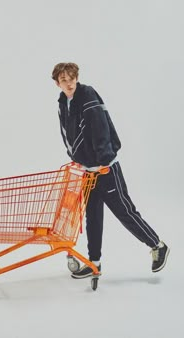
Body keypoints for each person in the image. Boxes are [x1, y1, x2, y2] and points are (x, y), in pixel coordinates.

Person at [52, 62, 170, 279]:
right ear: (57, 83)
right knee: (93, 217)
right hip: (88, 170)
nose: (68, 83)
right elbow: (67, 134)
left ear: (76, 77)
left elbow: (100, 127)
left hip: (105, 168)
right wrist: (75, 158)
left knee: (124, 211)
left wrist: (105, 159)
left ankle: (157, 245)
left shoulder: (87, 95)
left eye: (71, 78)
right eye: (63, 80)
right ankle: (94, 263)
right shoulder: (63, 103)